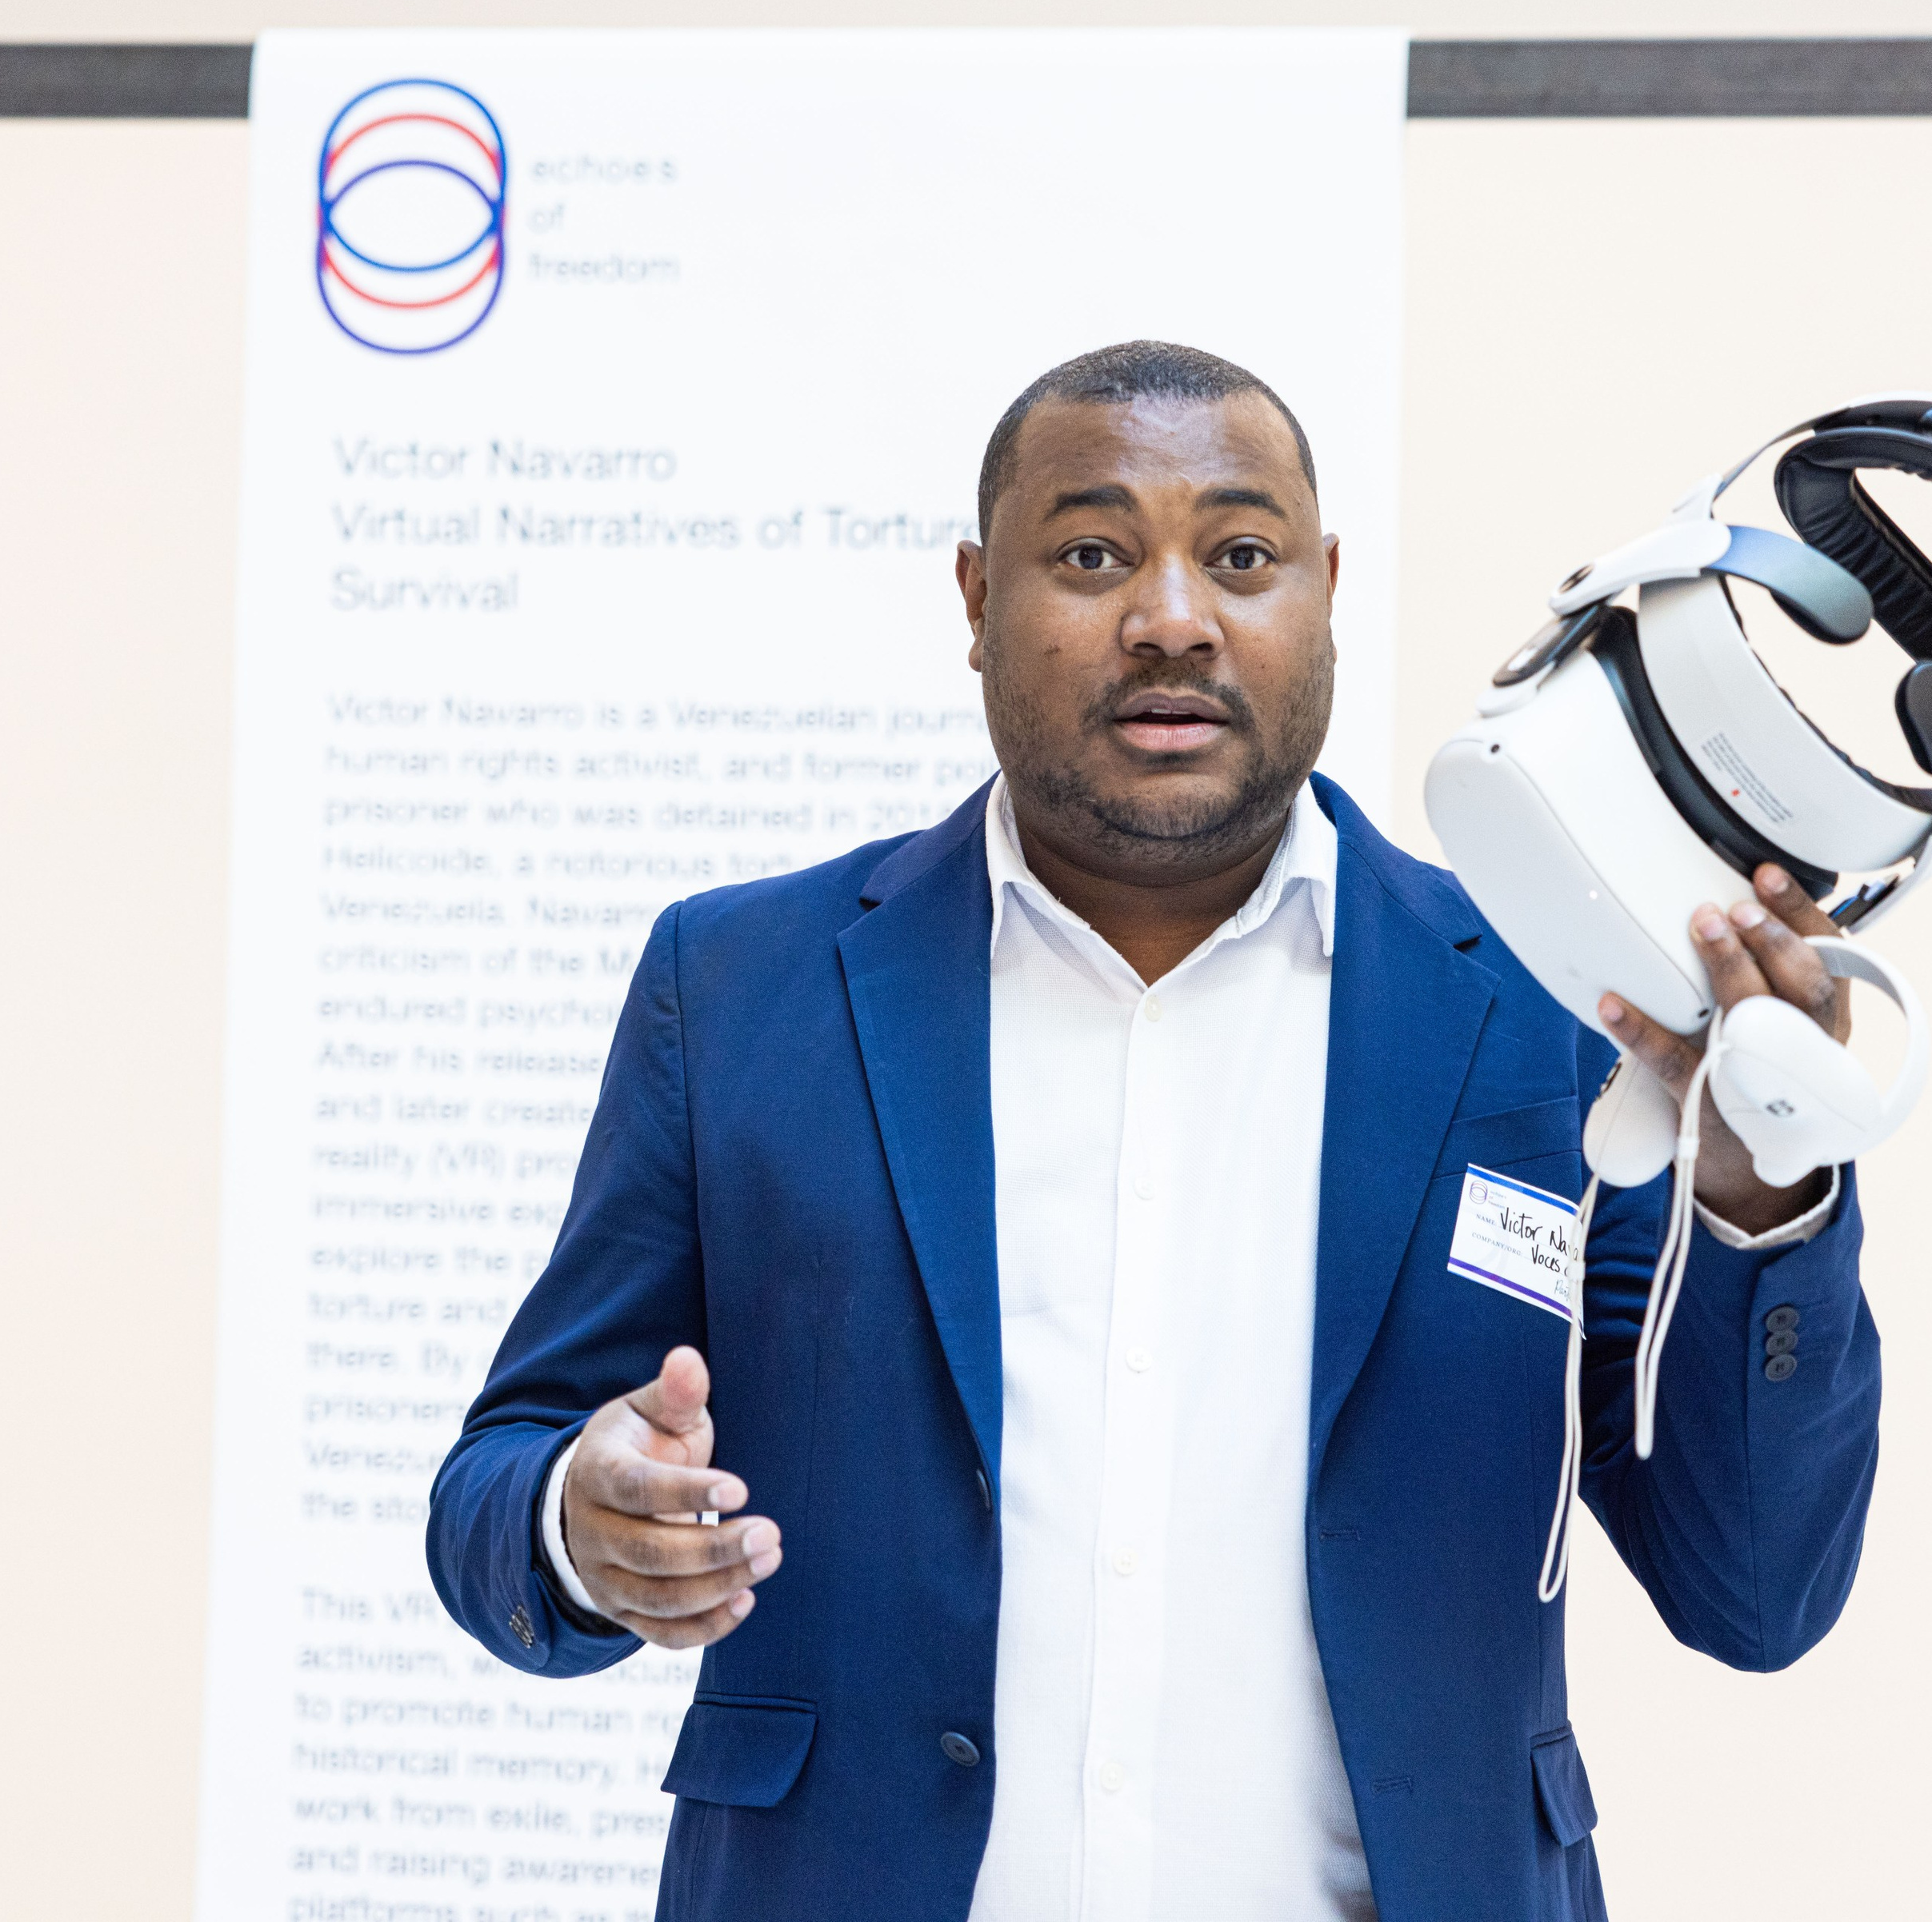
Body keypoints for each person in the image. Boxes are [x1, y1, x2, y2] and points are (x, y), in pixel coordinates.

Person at [427, 342, 1880, 1922]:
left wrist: (1763, 1182)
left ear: (1323, 590)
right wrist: (581, 1519)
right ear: (977, 599)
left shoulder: (1543, 1007)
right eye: (1090, 553)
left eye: (1240, 556)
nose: (1171, 615)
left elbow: (1751, 1589)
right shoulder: (742, 987)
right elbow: (496, 1485)